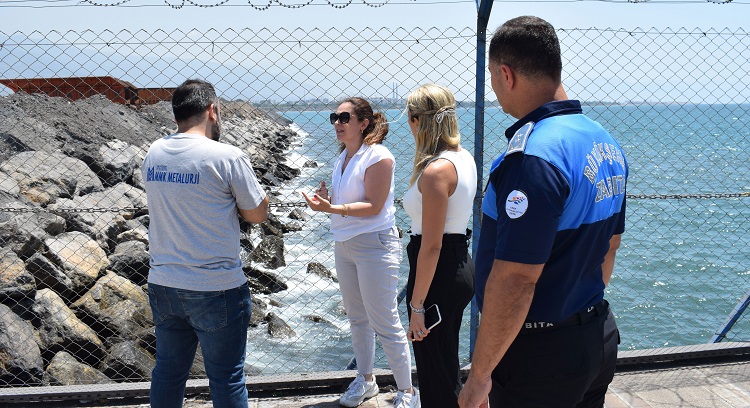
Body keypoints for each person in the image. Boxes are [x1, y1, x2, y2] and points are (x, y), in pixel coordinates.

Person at [458, 16, 628, 408]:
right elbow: (611, 246)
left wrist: (480, 376)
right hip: (595, 336)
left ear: (505, 74)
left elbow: (516, 278)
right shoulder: (603, 141)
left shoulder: (533, 157)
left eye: (490, 75)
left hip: (539, 358)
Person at [142, 78, 269, 408]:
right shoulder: (227, 156)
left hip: (164, 283)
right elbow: (257, 214)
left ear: (176, 115)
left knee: (168, 373)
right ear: (212, 110)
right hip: (216, 287)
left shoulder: (154, 153)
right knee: (226, 377)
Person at [301, 97, 420, 408]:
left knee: (385, 321)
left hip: (374, 245)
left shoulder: (378, 156)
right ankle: (366, 380)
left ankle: (408, 392)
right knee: (357, 318)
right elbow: (348, 203)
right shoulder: (343, 158)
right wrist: (328, 200)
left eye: (344, 117)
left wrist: (332, 207)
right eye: (334, 117)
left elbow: (374, 206)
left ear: (363, 123)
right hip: (346, 244)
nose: (337, 123)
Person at [401, 83, 477, 408]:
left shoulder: (435, 172)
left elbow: (432, 246)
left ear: (418, 121)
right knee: (445, 369)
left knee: (435, 378)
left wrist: (417, 308)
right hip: (458, 265)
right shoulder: (463, 158)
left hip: (437, 274)